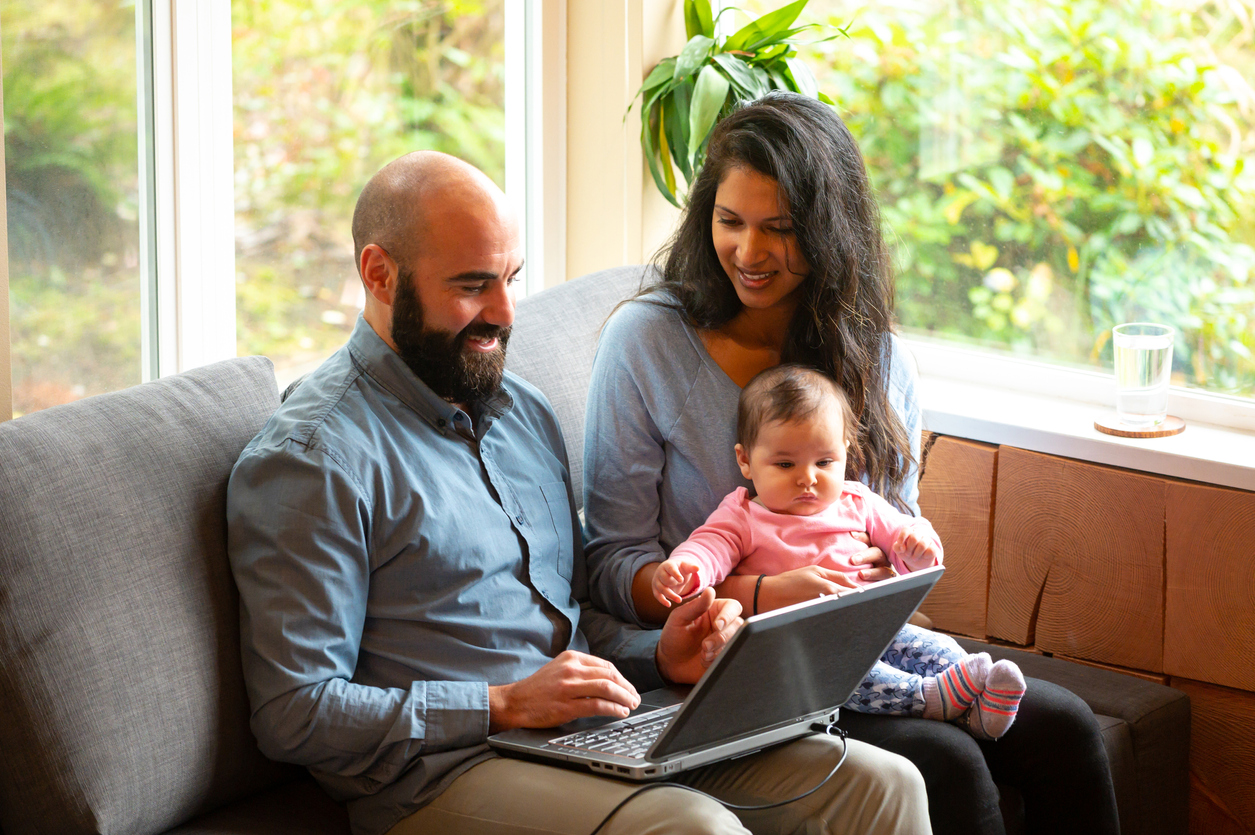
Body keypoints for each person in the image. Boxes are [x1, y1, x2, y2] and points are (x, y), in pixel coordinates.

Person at [226, 150, 931, 835]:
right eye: (473, 285)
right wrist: (499, 703)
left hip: (594, 734)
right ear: (379, 273)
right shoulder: (313, 460)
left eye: (511, 278)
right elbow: (294, 711)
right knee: (691, 827)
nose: (504, 313)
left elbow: (565, 619)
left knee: (879, 784)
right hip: (438, 776)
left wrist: (659, 654)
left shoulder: (519, 412)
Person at [583, 92, 1121, 835]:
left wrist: (901, 555)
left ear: (830, 231)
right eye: (729, 221)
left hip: (862, 641)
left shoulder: (873, 352)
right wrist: (752, 590)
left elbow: (892, 529)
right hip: (734, 662)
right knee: (948, 762)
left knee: (1063, 725)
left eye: (778, 229)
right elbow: (610, 563)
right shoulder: (646, 345)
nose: (747, 252)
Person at [638, 363, 1026, 740]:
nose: (808, 478)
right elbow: (709, 548)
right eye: (785, 463)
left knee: (940, 649)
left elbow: (905, 535)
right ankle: (926, 699)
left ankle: (979, 705)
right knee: (858, 675)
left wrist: (919, 548)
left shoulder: (857, 501)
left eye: (824, 462)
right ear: (746, 460)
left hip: (876, 624)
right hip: (806, 649)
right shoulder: (743, 515)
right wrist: (686, 567)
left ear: (845, 452)